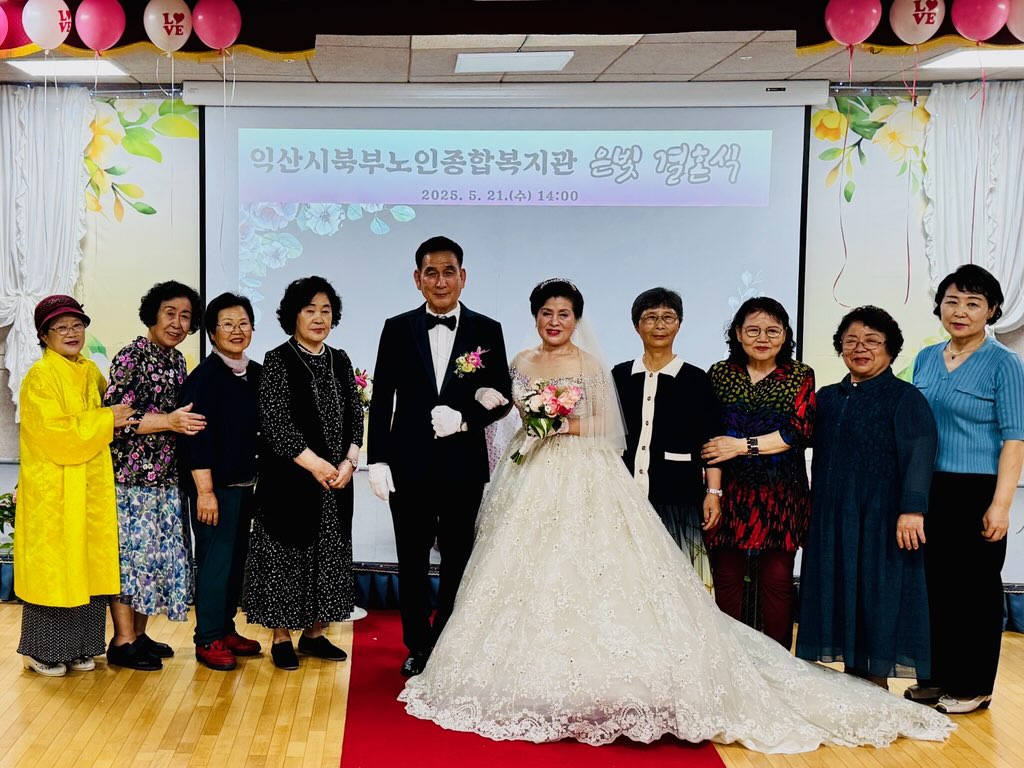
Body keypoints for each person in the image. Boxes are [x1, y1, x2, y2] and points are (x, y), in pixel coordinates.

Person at [399, 279, 953, 752]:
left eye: (564, 313)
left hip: (587, 471)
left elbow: (606, 426)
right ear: (536, 317)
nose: (554, 321)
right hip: (530, 472)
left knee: (599, 568)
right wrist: (510, 416)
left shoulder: (593, 365)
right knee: (522, 566)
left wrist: (558, 423)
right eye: (546, 313)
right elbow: (507, 409)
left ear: (577, 319)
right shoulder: (520, 362)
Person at [368, 235, 513, 677]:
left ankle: (447, 642)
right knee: (411, 559)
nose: (441, 280)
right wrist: (378, 460)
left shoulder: (487, 329)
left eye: (449, 271)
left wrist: (466, 419)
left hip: (462, 466)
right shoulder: (397, 327)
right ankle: (417, 645)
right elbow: (382, 398)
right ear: (417, 279)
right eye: (431, 272)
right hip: (407, 464)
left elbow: (502, 398)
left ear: (463, 277)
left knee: (457, 558)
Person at [796, 306, 937, 690]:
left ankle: (876, 690)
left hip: (883, 521)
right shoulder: (826, 398)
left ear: (891, 349)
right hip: (833, 517)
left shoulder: (905, 397)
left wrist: (912, 510)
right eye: (851, 341)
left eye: (872, 341)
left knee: (878, 599)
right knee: (840, 597)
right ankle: (849, 689)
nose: (860, 348)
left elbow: (920, 453)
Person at [908, 265, 1024, 714]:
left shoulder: (1004, 364)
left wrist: (1001, 505)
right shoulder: (925, 357)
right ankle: (935, 679)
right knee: (932, 587)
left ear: (991, 311)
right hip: (928, 487)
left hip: (977, 491)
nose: (960, 311)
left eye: (973, 303)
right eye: (952, 301)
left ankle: (973, 686)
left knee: (973, 592)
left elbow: (1015, 439)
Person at [245, 276, 363, 671]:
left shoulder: (340, 359)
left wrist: (349, 462)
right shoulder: (278, 359)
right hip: (290, 481)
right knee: (286, 555)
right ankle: (281, 638)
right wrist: (316, 465)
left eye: (326, 311)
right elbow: (276, 423)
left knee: (328, 555)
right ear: (293, 315)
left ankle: (314, 634)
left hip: (336, 482)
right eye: (310, 310)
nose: (318, 318)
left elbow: (355, 416)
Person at [15, 296, 136, 676]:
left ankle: (81, 647)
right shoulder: (40, 376)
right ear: (44, 335)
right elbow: (57, 434)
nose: (71, 333)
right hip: (55, 488)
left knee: (88, 567)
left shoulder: (88, 371)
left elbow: (113, 410)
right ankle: (42, 652)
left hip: (89, 487)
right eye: (61, 327)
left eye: (77, 325)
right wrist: (107, 419)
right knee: (56, 570)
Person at [104, 281, 206, 671]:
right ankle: (122, 641)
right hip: (132, 479)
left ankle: (139, 634)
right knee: (131, 561)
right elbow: (115, 419)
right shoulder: (131, 356)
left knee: (153, 560)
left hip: (166, 477)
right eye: (170, 313)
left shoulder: (177, 360)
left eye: (185, 316)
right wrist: (169, 421)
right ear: (153, 314)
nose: (177, 323)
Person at [701, 297, 815, 648]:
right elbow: (710, 437)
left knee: (778, 583)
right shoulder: (720, 374)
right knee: (726, 579)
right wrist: (713, 492)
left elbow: (798, 432)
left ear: (785, 335)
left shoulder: (799, 375)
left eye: (772, 331)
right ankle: (729, 661)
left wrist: (741, 446)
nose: (762, 338)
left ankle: (778, 666)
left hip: (781, 492)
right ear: (737, 333)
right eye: (753, 330)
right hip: (729, 491)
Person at [612, 287, 722, 592]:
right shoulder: (619, 376)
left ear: (679, 324)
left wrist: (713, 493)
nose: (659, 325)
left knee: (680, 587)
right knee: (627, 583)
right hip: (624, 496)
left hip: (678, 498)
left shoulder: (697, 379)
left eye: (668, 317)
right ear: (636, 326)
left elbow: (711, 440)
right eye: (650, 317)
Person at [178, 293, 263, 671]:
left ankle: (226, 628)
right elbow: (195, 438)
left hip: (247, 487)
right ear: (212, 332)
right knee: (215, 562)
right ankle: (208, 637)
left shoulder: (256, 373)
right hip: (215, 490)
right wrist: (206, 492)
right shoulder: (205, 378)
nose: (236, 330)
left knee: (235, 562)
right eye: (227, 324)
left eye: (243, 323)